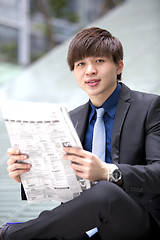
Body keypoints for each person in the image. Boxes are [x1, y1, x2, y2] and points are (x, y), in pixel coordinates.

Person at [0, 27, 160, 240]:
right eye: (80, 64)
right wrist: (27, 175)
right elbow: (64, 183)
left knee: (106, 191)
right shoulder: (69, 119)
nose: (89, 70)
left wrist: (108, 172)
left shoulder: (150, 107)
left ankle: (10, 235)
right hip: (86, 227)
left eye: (99, 61)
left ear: (119, 66)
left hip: (138, 222)